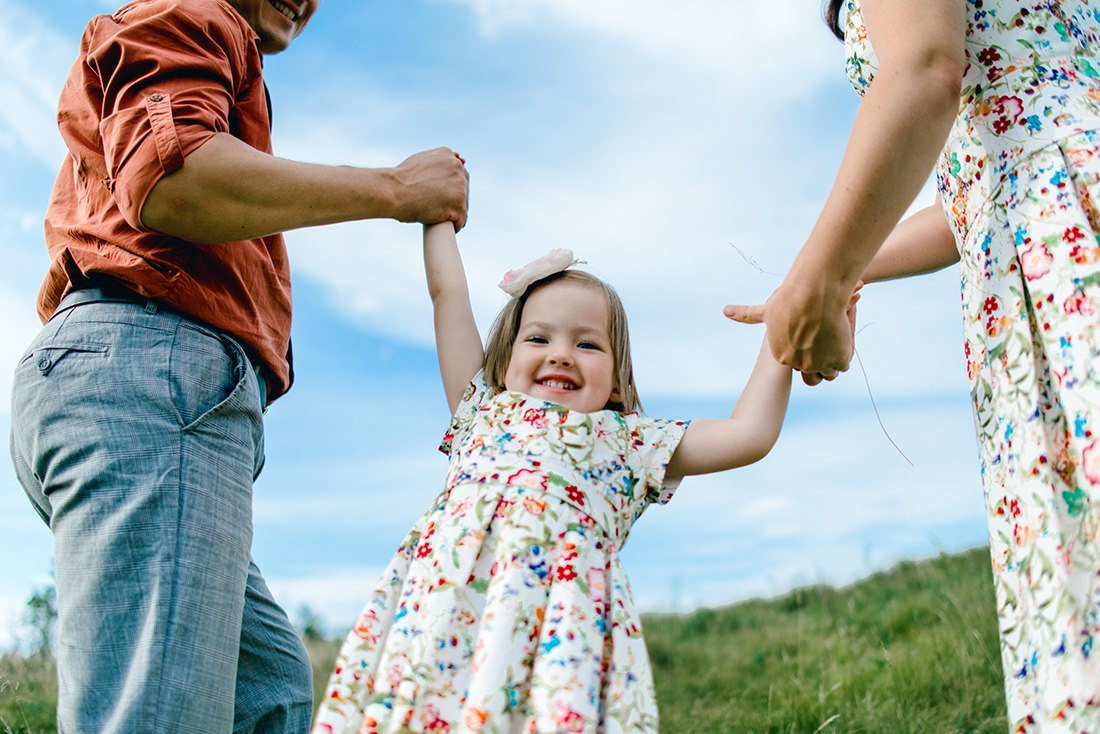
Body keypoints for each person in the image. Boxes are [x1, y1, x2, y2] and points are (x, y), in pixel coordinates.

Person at [7, 0, 468, 732]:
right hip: (152, 378)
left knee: (267, 694)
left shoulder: (213, 42)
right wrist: (395, 190)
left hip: (143, 385)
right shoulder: (191, 10)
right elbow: (174, 176)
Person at [310, 223, 856, 733]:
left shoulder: (627, 440)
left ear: (618, 377)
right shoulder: (481, 410)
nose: (562, 355)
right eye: (539, 339)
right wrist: (437, 216)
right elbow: (447, 294)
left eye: (588, 343)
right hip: (445, 623)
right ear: (503, 362)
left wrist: (790, 323)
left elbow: (748, 433)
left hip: (559, 642)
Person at [725, 0, 1100, 730]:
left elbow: (926, 72)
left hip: (1064, 245)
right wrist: (837, 268)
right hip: (1047, 217)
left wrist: (821, 278)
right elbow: (976, 189)